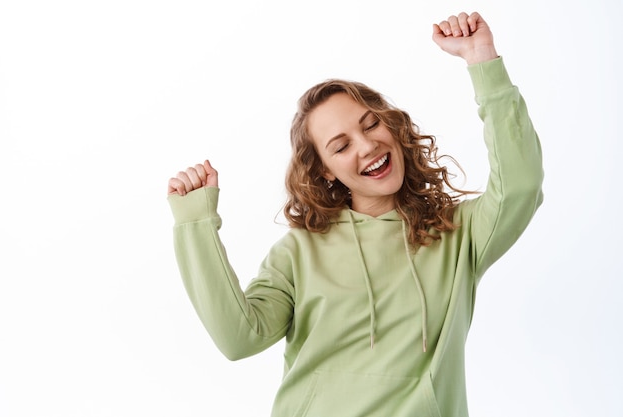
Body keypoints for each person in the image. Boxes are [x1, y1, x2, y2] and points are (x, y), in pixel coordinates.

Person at [167, 11, 543, 417]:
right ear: (325, 169)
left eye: (370, 125)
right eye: (341, 146)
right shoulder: (299, 252)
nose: (366, 146)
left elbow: (520, 187)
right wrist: (195, 224)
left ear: (392, 126)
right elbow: (239, 338)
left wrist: (482, 60)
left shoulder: (457, 234)